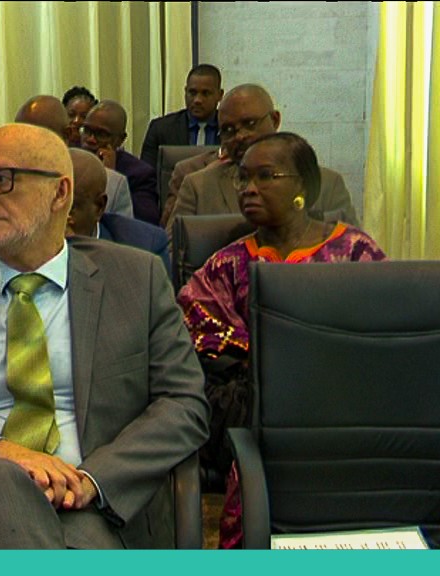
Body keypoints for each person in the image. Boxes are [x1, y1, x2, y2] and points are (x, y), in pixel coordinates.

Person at [0, 122, 209, 549]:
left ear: (60, 193)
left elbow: (184, 403)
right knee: (3, 483)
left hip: (94, 501)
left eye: (1, 180)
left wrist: (93, 480)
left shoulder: (136, 278)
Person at [175, 132, 386, 548]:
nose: (249, 188)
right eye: (243, 178)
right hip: (256, 415)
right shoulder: (227, 263)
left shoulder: (355, 253)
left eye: (266, 176)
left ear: (303, 185)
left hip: (348, 413)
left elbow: (382, 337)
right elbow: (197, 331)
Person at [168, 84, 360, 236]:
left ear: (275, 120)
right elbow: (173, 259)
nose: (240, 136)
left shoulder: (328, 184)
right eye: (228, 130)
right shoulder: (198, 187)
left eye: (250, 124)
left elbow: (354, 259)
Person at [15, 94, 133, 219]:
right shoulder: (7, 177)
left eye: (36, 138)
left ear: (67, 134)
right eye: (19, 137)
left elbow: (119, 230)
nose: (26, 146)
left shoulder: (113, 183)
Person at [66, 149, 170, 272]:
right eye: (51, 204)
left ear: (99, 207)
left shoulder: (146, 248)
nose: (60, 217)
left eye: (71, 208)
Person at [80, 100, 160, 225]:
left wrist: (110, 176)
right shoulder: (71, 160)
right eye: (87, 131)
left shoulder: (139, 174)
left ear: (120, 140)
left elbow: (142, 225)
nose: (90, 139)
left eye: (101, 134)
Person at [140, 64, 224, 168]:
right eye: (192, 93)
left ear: (220, 95)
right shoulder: (161, 129)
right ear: (185, 92)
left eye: (205, 93)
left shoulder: (231, 130)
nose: (197, 100)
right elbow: (146, 174)